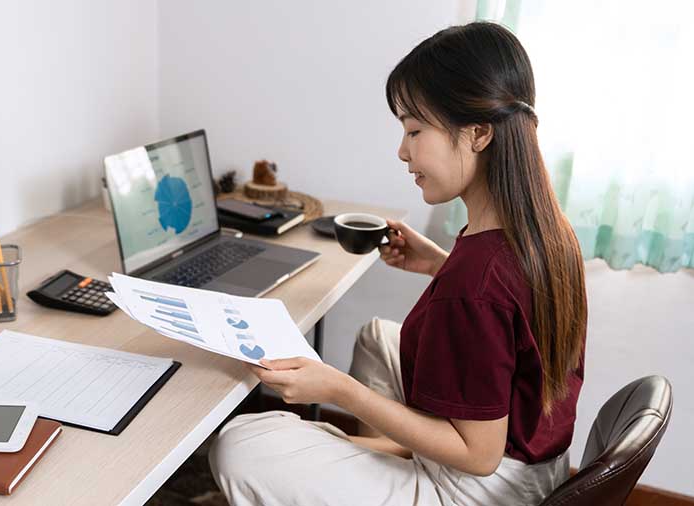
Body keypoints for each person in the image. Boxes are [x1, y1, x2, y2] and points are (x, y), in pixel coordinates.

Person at [209, 21, 588, 506]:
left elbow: (477, 455)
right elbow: (510, 315)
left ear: (477, 133)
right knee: (376, 339)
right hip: (534, 465)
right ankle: (386, 458)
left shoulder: (477, 281)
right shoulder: (544, 229)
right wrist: (440, 266)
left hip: (476, 489)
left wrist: (341, 391)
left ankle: (385, 464)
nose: (403, 150)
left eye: (414, 129)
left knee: (241, 444)